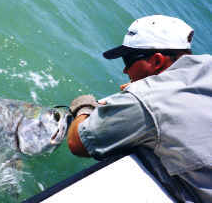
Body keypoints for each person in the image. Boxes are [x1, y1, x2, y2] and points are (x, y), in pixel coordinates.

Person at [67, 15, 212, 203]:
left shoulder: (148, 99)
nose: (125, 71)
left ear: (157, 61)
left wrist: (83, 107)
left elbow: (79, 143)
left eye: (128, 60)